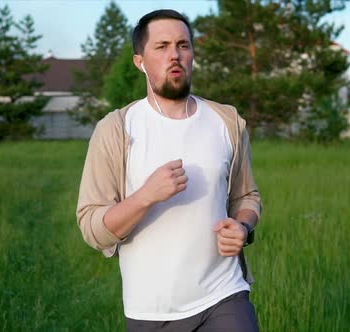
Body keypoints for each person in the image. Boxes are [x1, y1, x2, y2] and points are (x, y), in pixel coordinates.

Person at [76, 9, 262, 332]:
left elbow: (247, 196)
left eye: (183, 45)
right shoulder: (116, 130)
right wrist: (145, 197)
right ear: (140, 61)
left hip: (224, 295)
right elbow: (92, 227)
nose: (174, 55)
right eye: (161, 47)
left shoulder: (227, 122)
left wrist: (243, 228)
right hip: (151, 311)